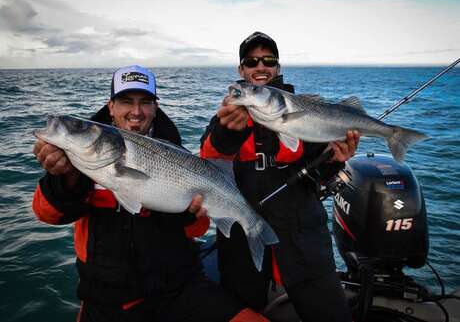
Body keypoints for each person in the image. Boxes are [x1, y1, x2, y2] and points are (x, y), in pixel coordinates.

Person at [32, 65, 268, 322]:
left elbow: (197, 230)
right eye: (125, 102)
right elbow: (48, 215)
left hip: (179, 288)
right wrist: (63, 179)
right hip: (107, 300)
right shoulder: (78, 162)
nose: (136, 111)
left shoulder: (176, 153)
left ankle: (256, 228)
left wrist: (188, 215)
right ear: (110, 106)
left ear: (155, 107)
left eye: (145, 102)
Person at [200, 32, 360, 322]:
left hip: (304, 242)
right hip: (242, 242)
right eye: (251, 61)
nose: (260, 66)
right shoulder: (225, 115)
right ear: (241, 70)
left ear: (278, 67)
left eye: (268, 60)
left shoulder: (305, 113)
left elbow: (320, 176)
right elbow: (208, 166)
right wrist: (226, 133)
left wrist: (335, 159)